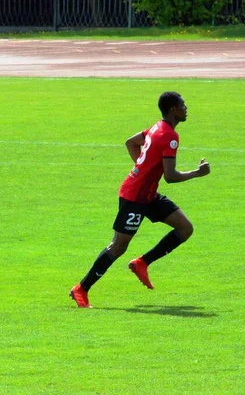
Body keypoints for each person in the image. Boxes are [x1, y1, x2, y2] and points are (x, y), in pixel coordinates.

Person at [70, 92, 211, 308]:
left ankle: (142, 263)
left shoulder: (156, 128)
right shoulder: (170, 136)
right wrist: (196, 173)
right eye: (182, 105)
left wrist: (141, 168)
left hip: (148, 194)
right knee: (118, 246)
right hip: (135, 197)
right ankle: (81, 289)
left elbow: (130, 143)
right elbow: (170, 176)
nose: (186, 108)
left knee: (185, 228)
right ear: (173, 109)